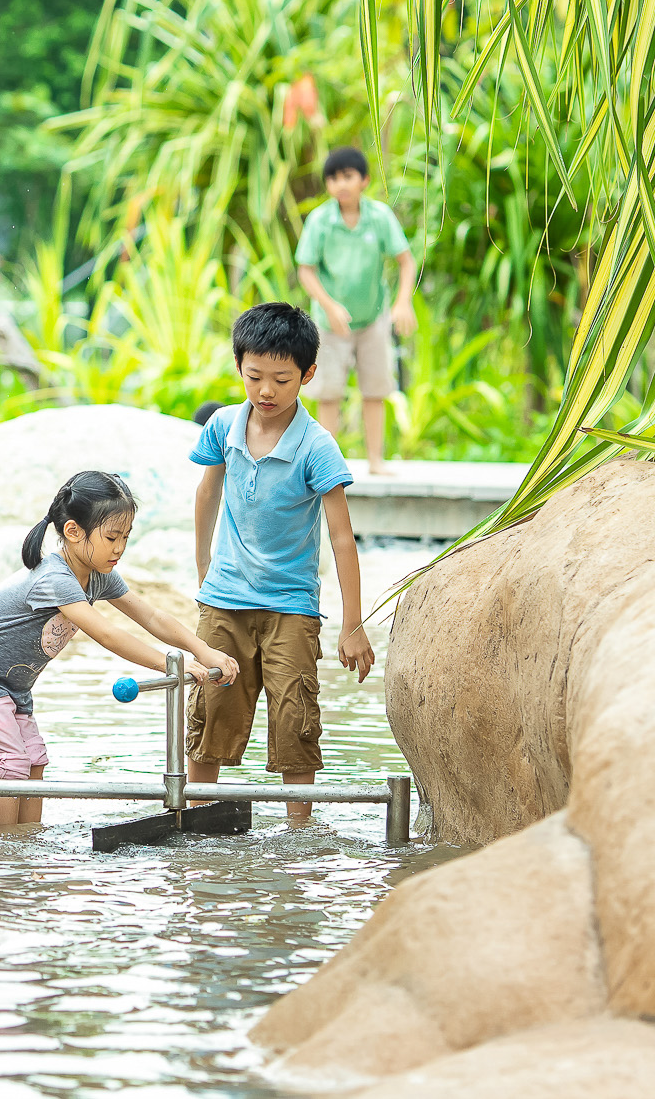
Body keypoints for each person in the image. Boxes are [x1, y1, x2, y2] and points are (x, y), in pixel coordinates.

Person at [0, 470, 236, 827]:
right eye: (111, 537)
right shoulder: (54, 578)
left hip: (11, 683)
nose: (119, 548)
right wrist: (171, 666)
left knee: (34, 760)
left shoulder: (98, 572)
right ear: (74, 532)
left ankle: (28, 844)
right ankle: (4, 858)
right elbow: (107, 635)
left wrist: (203, 651)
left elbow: (150, 616)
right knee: (11, 762)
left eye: (125, 536)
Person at [187, 302, 376, 822]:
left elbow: (342, 538)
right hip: (223, 601)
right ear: (239, 367)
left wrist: (352, 624)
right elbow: (206, 494)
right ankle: (197, 820)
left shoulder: (317, 447)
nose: (266, 391)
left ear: (307, 375)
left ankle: (299, 833)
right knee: (211, 714)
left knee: (296, 719)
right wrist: (204, 571)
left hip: (291, 606)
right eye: (254, 377)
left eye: (281, 379)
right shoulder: (223, 426)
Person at [294, 146, 416, 475]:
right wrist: (329, 306)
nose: (341, 184)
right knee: (328, 392)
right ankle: (327, 465)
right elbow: (305, 268)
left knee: (375, 390)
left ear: (364, 180)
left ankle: (376, 461)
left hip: (373, 316)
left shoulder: (379, 217)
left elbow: (405, 260)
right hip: (330, 322)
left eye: (348, 176)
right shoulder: (320, 220)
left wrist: (403, 301)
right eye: (333, 178)